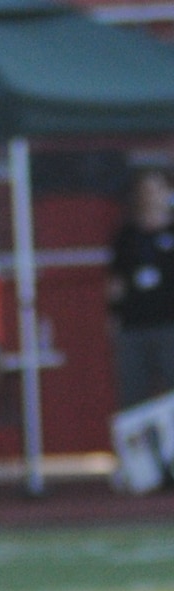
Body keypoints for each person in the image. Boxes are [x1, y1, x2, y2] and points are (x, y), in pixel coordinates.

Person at [109, 168, 174, 410]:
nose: (151, 196)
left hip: (169, 324)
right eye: (145, 191)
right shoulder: (126, 236)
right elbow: (116, 282)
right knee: (134, 397)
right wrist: (114, 316)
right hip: (134, 326)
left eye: (156, 190)